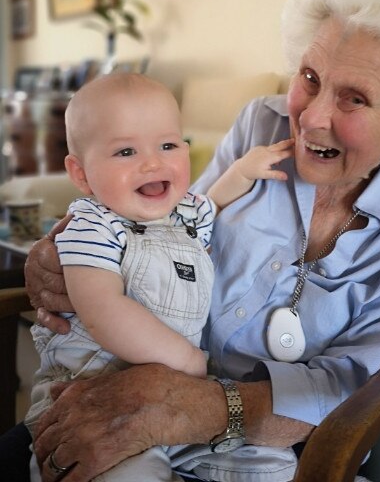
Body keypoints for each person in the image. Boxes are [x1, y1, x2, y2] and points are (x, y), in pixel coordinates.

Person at [11, 0, 380, 482]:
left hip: (263, 445)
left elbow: (349, 384)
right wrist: (59, 254)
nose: (311, 117)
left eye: (354, 98)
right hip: (118, 385)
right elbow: (167, 230)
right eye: (310, 78)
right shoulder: (259, 126)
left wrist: (191, 403)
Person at [25, 73, 295, 481]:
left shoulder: (183, 215)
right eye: (126, 151)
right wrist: (182, 358)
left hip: (179, 404)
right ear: (81, 174)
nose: (152, 162)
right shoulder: (92, 226)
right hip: (91, 395)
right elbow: (101, 307)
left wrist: (244, 169)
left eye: (168, 145)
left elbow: (215, 202)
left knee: (275, 467)